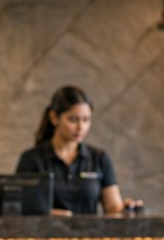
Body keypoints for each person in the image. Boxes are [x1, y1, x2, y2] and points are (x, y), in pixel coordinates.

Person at [15, 86, 137, 215]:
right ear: (54, 117)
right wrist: (49, 214)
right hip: (45, 234)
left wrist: (128, 208)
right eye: (73, 119)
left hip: (91, 234)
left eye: (86, 120)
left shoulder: (99, 158)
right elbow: (20, 208)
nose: (81, 127)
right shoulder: (32, 159)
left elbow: (113, 209)